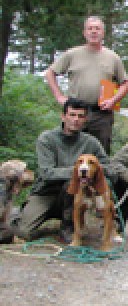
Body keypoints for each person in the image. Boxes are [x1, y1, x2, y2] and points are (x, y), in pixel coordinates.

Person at [14, 99, 121, 242]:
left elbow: (108, 168)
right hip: (46, 192)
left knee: (72, 184)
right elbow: (46, 173)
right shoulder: (47, 139)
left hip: (75, 194)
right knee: (23, 232)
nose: (76, 120)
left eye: (81, 116)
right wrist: (78, 171)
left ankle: (69, 226)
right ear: (63, 116)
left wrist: (95, 171)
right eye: (72, 115)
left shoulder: (91, 142)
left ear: (86, 119)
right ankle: (24, 213)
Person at [45, 16, 128, 154]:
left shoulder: (112, 57)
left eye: (97, 29)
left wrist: (113, 100)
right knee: (70, 149)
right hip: (75, 112)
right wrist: (59, 96)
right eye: (90, 28)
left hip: (101, 113)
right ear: (84, 33)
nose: (94, 32)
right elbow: (50, 73)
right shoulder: (72, 54)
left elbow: (125, 84)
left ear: (103, 33)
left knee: (101, 152)